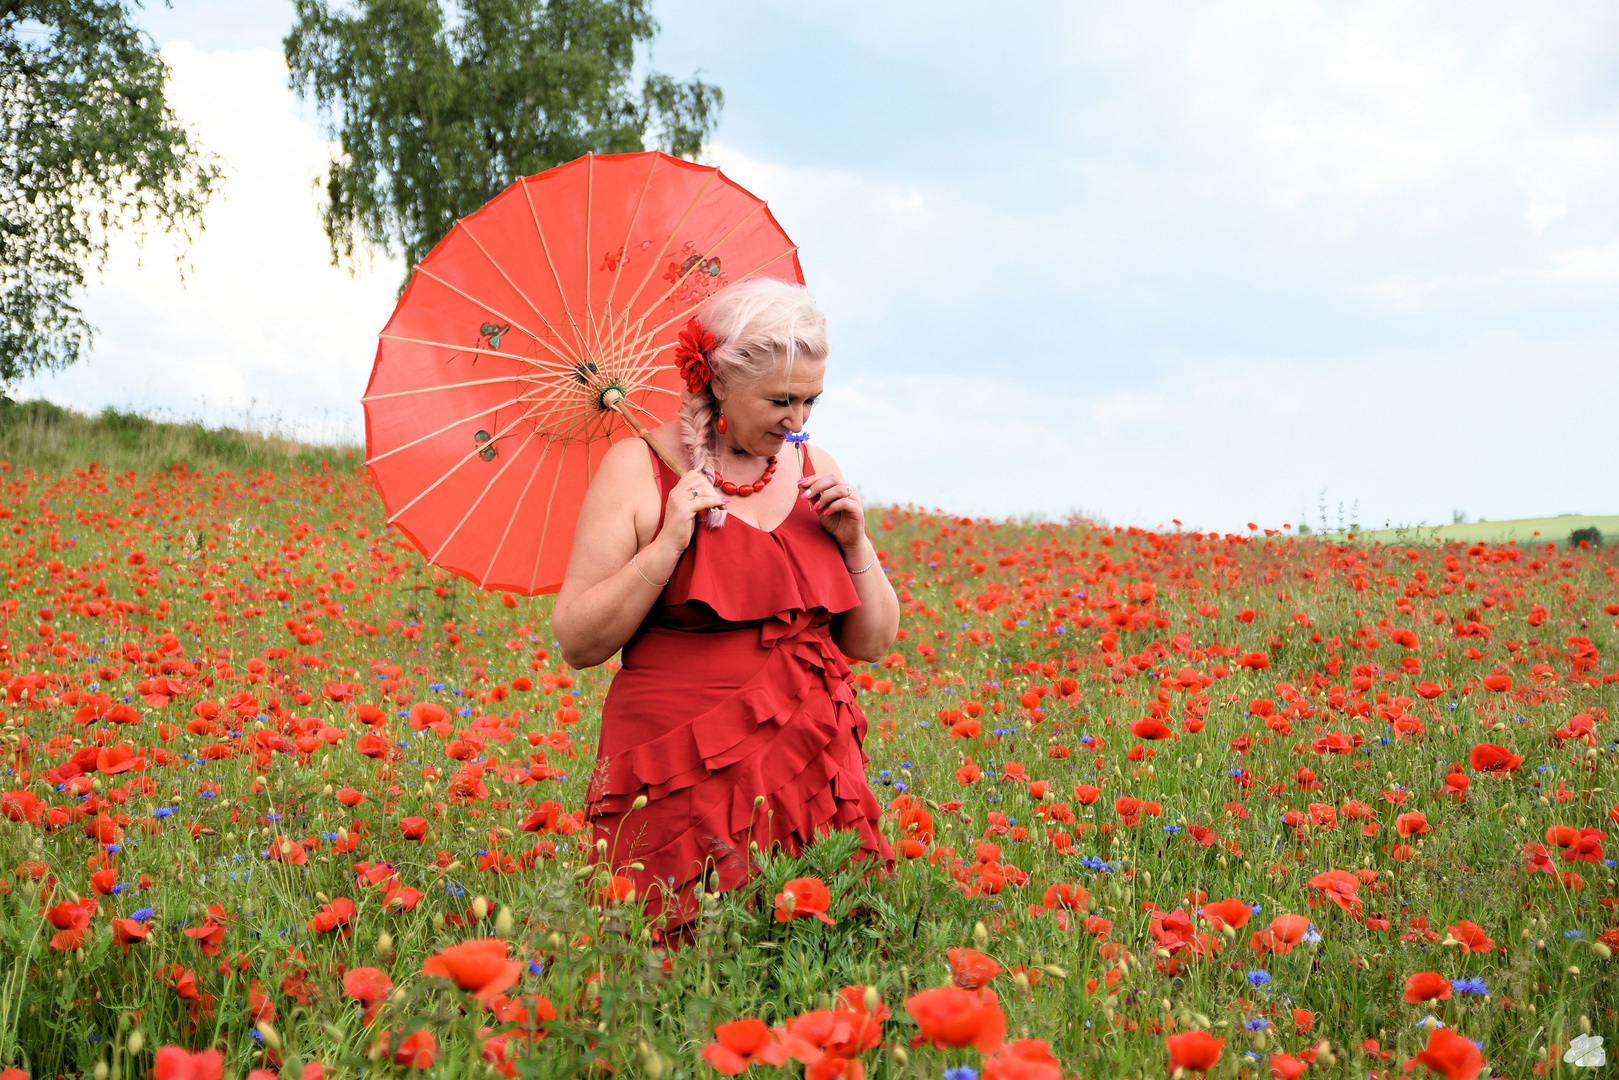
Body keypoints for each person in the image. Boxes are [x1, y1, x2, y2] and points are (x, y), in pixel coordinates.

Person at [551, 277, 899, 932]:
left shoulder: (815, 466)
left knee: (818, 963)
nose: (797, 422)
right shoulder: (638, 468)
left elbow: (871, 642)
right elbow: (578, 641)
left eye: (810, 400)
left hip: (814, 764)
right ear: (714, 381)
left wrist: (855, 541)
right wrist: (666, 546)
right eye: (779, 401)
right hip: (683, 764)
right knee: (677, 960)